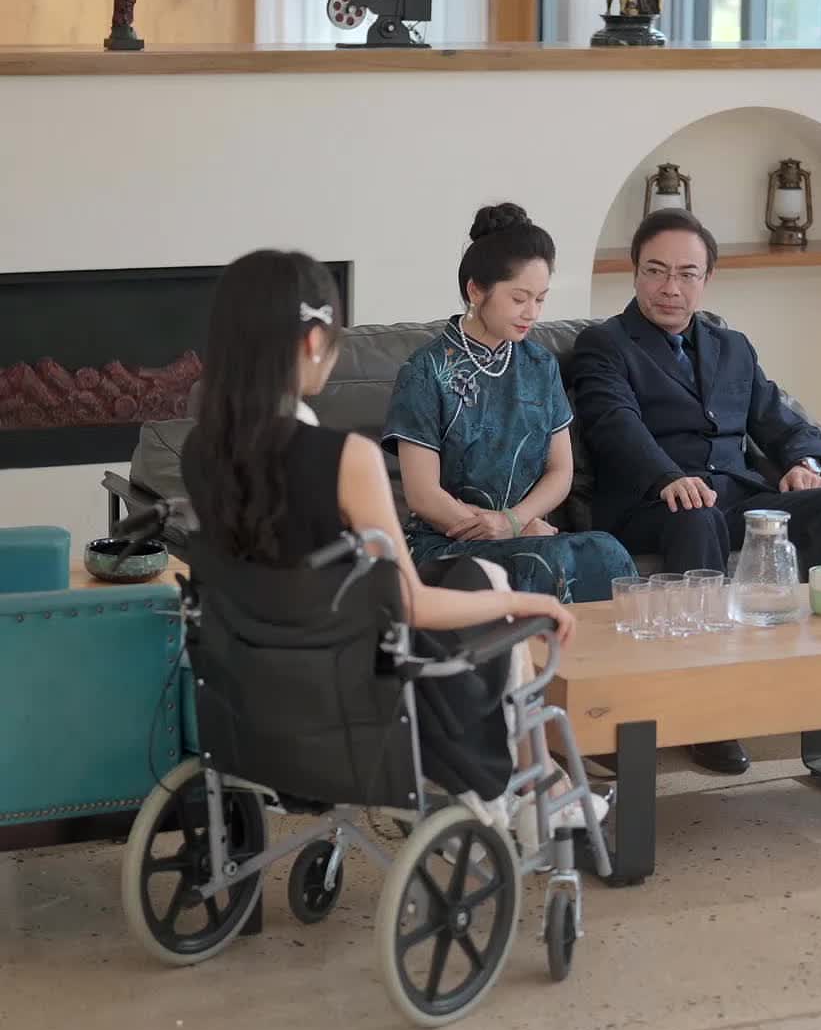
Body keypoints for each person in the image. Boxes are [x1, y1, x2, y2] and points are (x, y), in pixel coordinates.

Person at [180, 248, 581, 831]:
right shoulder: (346, 459)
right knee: (490, 587)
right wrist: (528, 603)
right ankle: (526, 795)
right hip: (350, 697)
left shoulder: (200, 451)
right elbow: (410, 604)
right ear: (313, 342)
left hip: (252, 694)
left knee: (472, 574)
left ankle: (537, 790)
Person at [571, 208, 821, 776]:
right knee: (695, 515)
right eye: (655, 271)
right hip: (654, 504)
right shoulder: (605, 344)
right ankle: (707, 716)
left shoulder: (733, 347)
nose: (670, 288)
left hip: (737, 499)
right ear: (635, 273)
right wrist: (667, 476)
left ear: (707, 279)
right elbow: (614, 423)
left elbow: (780, 418)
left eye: (686, 273)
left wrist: (802, 462)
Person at [383, 203, 634, 605]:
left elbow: (560, 471)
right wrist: (505, 531)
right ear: (475, 291)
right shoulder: (426, 370)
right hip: (446, 542)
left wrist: (514, 522)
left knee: (605, 551)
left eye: (540, 299)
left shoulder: (540, 365)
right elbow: (423, 494)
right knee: (543, 561)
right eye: (519, 298)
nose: (531, 313)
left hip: (523, 534)